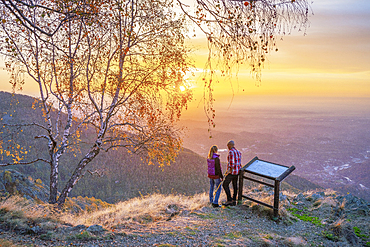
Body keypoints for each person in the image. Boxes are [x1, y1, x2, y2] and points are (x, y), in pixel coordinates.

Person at [222, 140, 242, 206]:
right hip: (237, 172)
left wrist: (229, 171)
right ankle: (234, 200)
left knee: (225, 184)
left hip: (232, 172)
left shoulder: (231, 152)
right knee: (235, 185)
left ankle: (229, 200)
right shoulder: (238, 152)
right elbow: (239, 163)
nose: (227, 147)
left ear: (230, 145)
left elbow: (231, 163)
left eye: (228, 146)